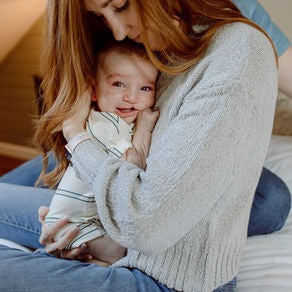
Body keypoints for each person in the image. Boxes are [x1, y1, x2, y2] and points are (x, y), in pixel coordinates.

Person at [0, 1, 289, 292]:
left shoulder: (236, 52)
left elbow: (145, 227)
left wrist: (77, 136)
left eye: (121, 5)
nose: (117, 32)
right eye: (100, 16)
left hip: (165, 281)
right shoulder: (161, 51)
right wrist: (92, 232)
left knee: (272, 199)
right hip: (124, 239)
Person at [45, 39, 159, 264]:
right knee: (117, 254)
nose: (131, 97)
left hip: (88, 217)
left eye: (145, 88)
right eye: (119, 84)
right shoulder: (102, 125)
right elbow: (130, 166)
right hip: (75, 222)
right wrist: (145, 129)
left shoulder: (120, 123)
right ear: (93, 90)